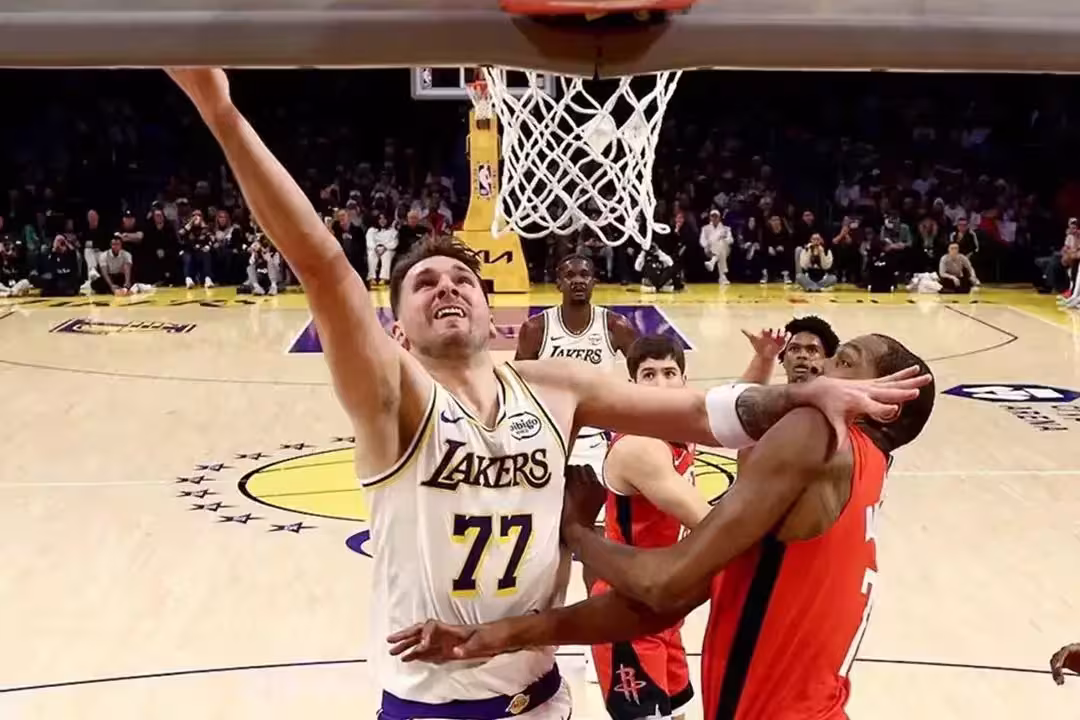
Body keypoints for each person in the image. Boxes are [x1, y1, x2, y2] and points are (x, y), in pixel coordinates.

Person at [169, 68, 930, 720]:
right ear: (395, 330)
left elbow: (705, 413)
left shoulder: (555, 387)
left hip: (543, 693)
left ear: (491, 306)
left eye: (463, 278)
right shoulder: (392, 397)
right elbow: (324, 266)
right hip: (433, 701)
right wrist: (220, 111)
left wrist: (804, 395)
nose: (448, 286)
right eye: (424, 283)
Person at [388, 334, 936, 720]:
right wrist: (503, 634)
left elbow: (665, 584)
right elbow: (670, 599)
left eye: (843, 361)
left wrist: (574, 528)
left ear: (888, 404)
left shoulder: (817, 434)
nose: (818, 370)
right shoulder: (863, 471)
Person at [590, 334, 710, 720]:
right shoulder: (640, 448)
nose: (660, 384)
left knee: (680, 710)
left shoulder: (681, 427)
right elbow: (707, 523)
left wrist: (764, 360)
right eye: (649, 375)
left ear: (684, 382)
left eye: (669, 373)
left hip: (665, 603)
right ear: (633, 386)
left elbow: (735, 413)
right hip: (630, 608)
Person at [515, 253, 638, 483]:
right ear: (558, 283)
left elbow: (642, 374)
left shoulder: (615, 326)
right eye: (570, 275)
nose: (578, 280)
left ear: (594, 282)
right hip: (550, 435)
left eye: (584, 275)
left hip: (598, 436)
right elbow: (517, 387)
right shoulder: (536, 328)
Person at [740, 315, 840, 386]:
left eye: (812, 350)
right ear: (784, 359)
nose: (802, 355)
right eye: (794, 349)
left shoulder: (839, 402)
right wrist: (764, 357)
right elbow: (740, 401)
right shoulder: (772, 401)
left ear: (827, 360)